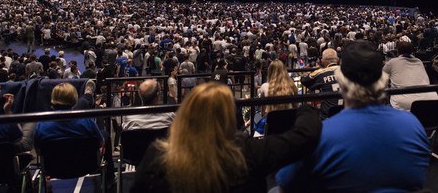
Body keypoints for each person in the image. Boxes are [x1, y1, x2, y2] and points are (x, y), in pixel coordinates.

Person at [276, 40, 429, 192]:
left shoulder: (319, 135)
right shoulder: (412, 124)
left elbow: (285, 180)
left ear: (342, 81)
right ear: (382, 81)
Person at [131, 82, 321, 192]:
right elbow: (305, 136)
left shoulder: (159, 156)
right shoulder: (246, 152)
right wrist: (303, 105)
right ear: (229, 116)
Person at [34, 83, 117, 183]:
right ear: (74, 98)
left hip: (53, 169)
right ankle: (110, 178)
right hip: (86, 166)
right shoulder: (87, 122)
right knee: (105, 134)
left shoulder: (42, 124)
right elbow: (100, 143)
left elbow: (38, 150)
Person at [382, 41, 438, 110]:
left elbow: (381, 79)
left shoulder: (392, 62)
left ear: (397, 51)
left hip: (405, 103)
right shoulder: (419, 61)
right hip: (431, 98)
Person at [300, 48, 341, 119]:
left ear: (322, 61)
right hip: (345, 111)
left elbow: (304, 80)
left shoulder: (320, 73)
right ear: (337, 60)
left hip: (327, 115)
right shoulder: (347, 70)